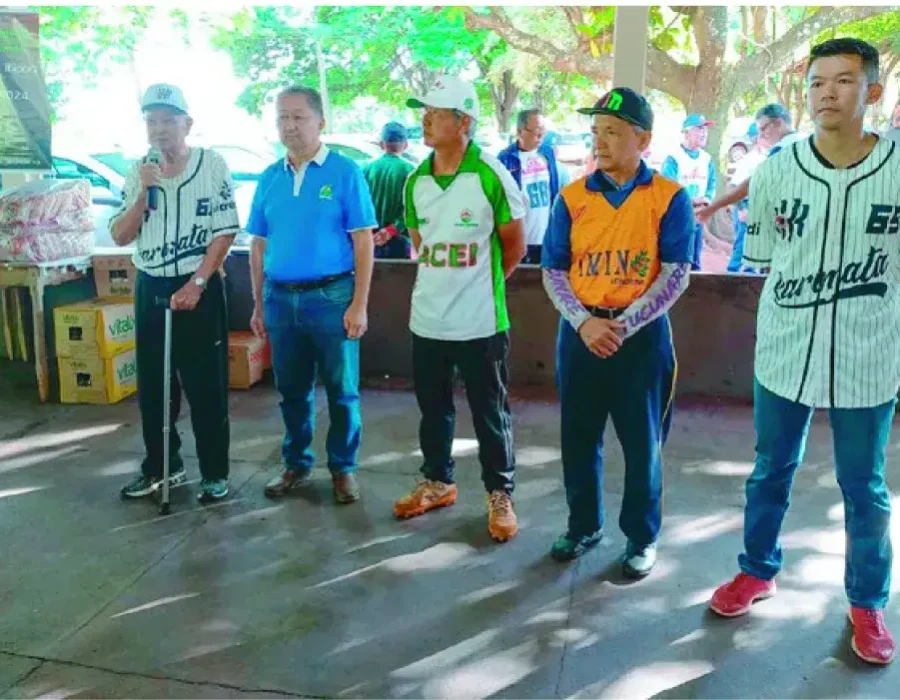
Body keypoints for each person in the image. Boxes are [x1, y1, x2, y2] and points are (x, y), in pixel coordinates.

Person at [709, 38, 898, 666]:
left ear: (872, 91)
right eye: (817, 83)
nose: (827, 94)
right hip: (787, 352)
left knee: (864, 487)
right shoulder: (779, 168)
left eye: (844, 82)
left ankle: (867, 602)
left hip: (869, 355)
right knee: (770, 471)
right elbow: (761, 260)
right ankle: (757, 569)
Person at [541, 87, 695, 577]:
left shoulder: (669, 197)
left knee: (642, 441)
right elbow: (553, 270)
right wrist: (585, 322)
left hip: (641, 338)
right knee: (578, 437)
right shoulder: (571, 197)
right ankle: (584, 524)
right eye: (595, 133)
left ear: (642, 138)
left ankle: (641, 536)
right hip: (580, 332)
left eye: (612, 132)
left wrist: (620, 326)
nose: (600, 142)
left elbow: (676, 272)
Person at [392, 75, 526, 542]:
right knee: (433, 409)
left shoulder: (489, 174)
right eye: (424, 112)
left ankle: (499, 492)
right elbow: (419, 245)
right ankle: (437, 481)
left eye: (437, 112)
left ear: (464, 121)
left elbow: (514, 247)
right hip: (428, 318)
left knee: (490, 411)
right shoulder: (415, 179)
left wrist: (479, 287)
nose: (425, 120)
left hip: (481, 322)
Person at [248, 86, 377, 505]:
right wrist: (257, 303)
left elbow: (363, 241)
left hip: (332, 297)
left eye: (299, 116)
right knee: (291, 390)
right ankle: (297, 464)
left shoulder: (345, 172)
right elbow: (258, 245)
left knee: (343, 391)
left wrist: (359, 303)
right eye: (282, 117)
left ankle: (343, 468)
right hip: (280, 299)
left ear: (321, 121)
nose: (290, 125)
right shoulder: (270, 177)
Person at [113, 84, 240, 503]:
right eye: (152, 120)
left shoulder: (212, 164)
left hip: (198, 284)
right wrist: (142, 195)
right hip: (151, 283)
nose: (160, 129)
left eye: (169, 120)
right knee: (154, 387)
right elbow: (120, 234)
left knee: (205, 386)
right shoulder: (138, 171)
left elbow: (225, 230)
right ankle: (162, 467)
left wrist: (198, 283)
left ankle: (214, 473)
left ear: (187, 123)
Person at [696, 104, 805, 229]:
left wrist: (713, 208)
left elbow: (749, 185)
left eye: (763, 129)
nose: (761, 135)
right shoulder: (806, 142)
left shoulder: (783, 149)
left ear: (778, 123)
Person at [497, 110, 561, 264]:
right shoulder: (505, 159)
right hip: (520, 240)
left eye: (543, 131)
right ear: (520, 131)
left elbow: (554, 192)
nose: (541, 136)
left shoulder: (547, 153)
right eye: (537, 130)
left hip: (546, 239)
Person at [661, 114, 716, 270]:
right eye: (699, 129)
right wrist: (691, 201)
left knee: (695, 260)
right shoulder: (673, 158)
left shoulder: (707, 159)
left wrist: (706, 200)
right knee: (677, 260)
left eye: (705, 129)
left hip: (698, 215)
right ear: (686, 132)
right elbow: (668, 187)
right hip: (678, 216)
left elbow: (711, 184)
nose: (704, 133)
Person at [363, 121, 415, 259]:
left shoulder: (366, 170)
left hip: (369, 239)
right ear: (405, 145)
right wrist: (391, 230)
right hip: (398, 241)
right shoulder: (411, 172)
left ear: (382, 144)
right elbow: (413, 209)